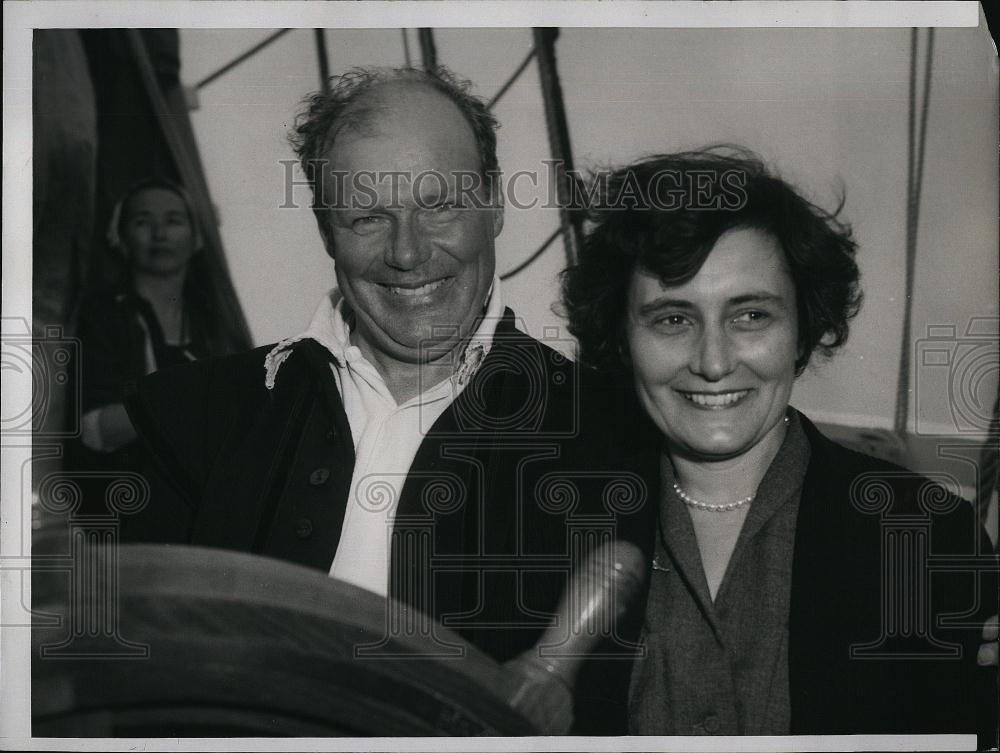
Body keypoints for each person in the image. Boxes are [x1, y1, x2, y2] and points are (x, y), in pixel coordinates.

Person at [120, 65, 651, 723]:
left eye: (440, 205)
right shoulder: (195, 416)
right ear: (324, 229)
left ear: (495, 205)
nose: (407, 252)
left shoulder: (611, 433)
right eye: (367, 216)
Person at [561, 146, 999, 743]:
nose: (713, 363)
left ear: (803, 328)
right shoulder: (546, 528)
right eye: (672, 319)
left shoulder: (927, 541)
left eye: (750, 317)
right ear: (621, 336)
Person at [69, 178, 243, 487]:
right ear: (119, 236)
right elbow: (94, 431)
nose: (160, 234)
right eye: (142, 221)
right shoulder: (101, 316)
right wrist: (192, 398)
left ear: (197, 237)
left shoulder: (215, 319)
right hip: (127, 498)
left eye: (174, 221)